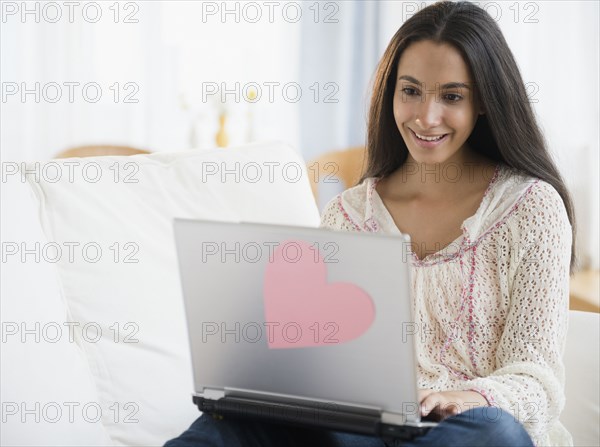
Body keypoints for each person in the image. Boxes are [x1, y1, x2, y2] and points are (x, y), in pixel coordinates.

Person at [165, 1, 575, 446]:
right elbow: (319, 358)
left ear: (484, 102)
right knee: (227, 423)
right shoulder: (348, 214)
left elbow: (537, 379)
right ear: (390, 93)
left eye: (452, 96)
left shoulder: (532, 208)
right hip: (361, 431)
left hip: (470, 428)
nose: (426, 116)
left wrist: (467, 396)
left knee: (495, 431)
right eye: (411, 90)